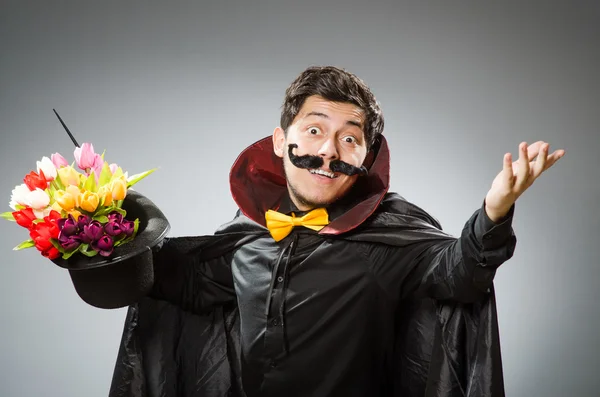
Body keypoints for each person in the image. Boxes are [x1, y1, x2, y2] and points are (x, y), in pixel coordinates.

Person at [109, 66, 564, 397]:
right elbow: (162, 278)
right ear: (279, 142)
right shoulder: (245, 239)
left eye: (349, 138)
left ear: (365, 158)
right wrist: (88, 229)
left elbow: (461, 272)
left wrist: (495, 209)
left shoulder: (390, 243)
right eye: (313, 130)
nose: (327, 151)